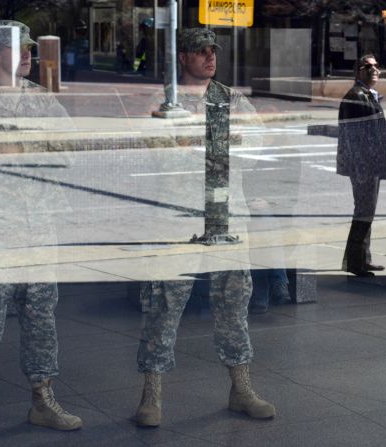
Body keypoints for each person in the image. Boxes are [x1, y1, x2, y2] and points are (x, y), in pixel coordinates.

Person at [134, 27, 276, 428]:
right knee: (164, 306)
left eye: (213, 51)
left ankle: (241, 388)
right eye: (200, 52)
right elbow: (155, 156)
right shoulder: (165, 103)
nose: (210, 57)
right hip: (178, 220)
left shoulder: (231, 98)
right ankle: (151, 394)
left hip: (226, 218)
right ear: (183, 58)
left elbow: (258, 145)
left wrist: (231, 141)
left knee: (234, 305)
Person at [0, 20, 82, 445]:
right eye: (15, 48)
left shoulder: (44, 102)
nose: (27, 54)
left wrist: (18, 150)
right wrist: (28, 150)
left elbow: (68, 153)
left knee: (41, 319)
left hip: (38, 231)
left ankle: (43, 400)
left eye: (29, 48)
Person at [336, 54, 386, 277]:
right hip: (364, 165)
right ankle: (355, 262)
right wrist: (362, 166)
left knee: (367, 211)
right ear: (358, 72)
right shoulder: (355, 96)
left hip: (372, 163)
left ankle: (364, 257)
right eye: (367, 66)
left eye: (376, 65)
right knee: (363, 212)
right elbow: (351, 136)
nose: (373, 69)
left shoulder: (368, 95)